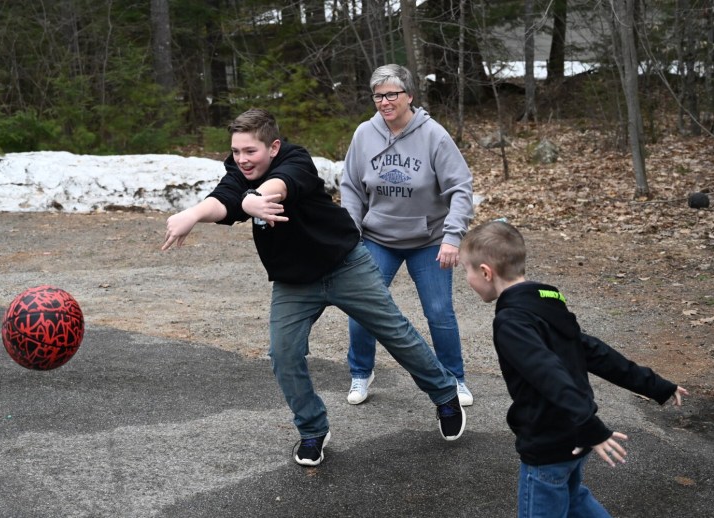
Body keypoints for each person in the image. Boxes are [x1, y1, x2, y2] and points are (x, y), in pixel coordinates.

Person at [162, 108, 465, 467]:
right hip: (294, 282)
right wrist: (192, 214)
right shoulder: (238, 172)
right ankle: (312, 429)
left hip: (345, 264)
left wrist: (251, 199)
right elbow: (223, 198)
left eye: (250, 151)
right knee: (283, 353)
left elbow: (280, 186)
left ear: (273, 146)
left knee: (395, 332)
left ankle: (445, 393)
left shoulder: (296, 160)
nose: (242, 160)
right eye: (237, 151)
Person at [459, 220, 689, 518]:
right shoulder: (547, 305)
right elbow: (596, 352)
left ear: (486, 272)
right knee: (574, 499)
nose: (466, 278)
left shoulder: (511, 322)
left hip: (550, 442)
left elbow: (548, 373)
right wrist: (656, 385)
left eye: (466, 270)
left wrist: (590, 425)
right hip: (573, 437)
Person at [341, 64, 475, 407]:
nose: (385, 102)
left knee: (439, 311)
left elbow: (460, 189)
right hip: (377, 237)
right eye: (378, 95)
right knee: (362, 306)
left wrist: (452, 237)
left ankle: (454, 379)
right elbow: (352, 188)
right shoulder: (364, 134)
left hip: (428, 240)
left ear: (409, 96)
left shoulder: (434, 135)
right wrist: (351, 232)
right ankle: (361, 372)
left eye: (392, 94)